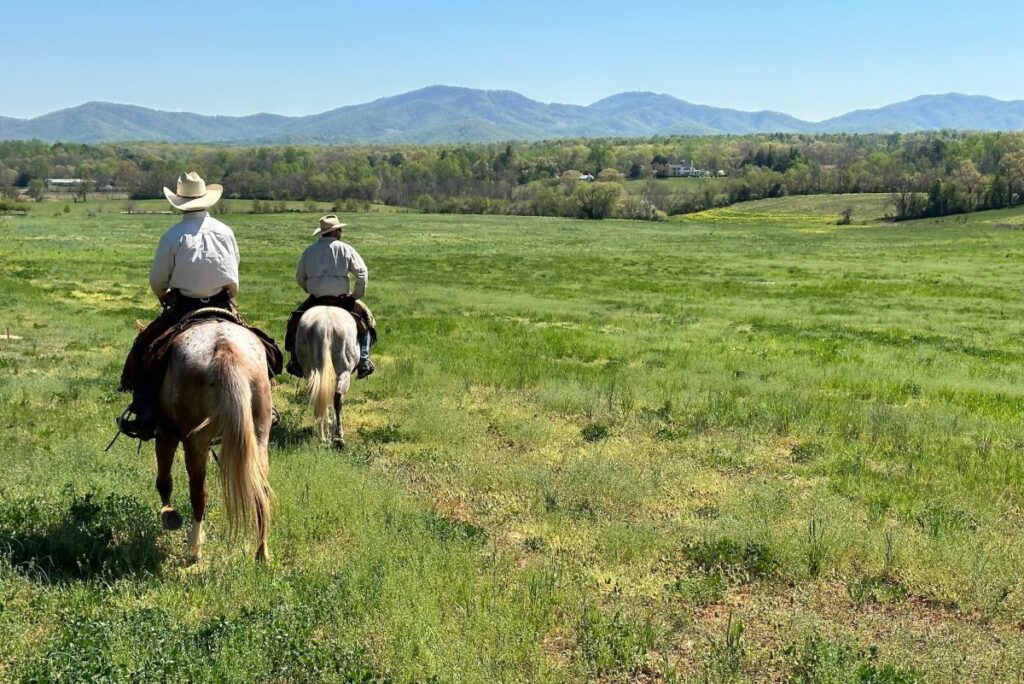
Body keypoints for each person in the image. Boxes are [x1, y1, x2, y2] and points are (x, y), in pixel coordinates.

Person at [117, 172, 281, 440]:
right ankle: (266, 407)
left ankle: (145, 412)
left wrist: (163, 294)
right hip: (223, 305)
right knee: (267, 350)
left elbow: (158, 280)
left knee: (145, 348)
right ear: (206, 199)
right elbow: (233, 267)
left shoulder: (172, 236)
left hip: (184, 307)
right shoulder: (226, 231)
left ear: (179, 202)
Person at [285, 214, 375, 379]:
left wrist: (309, 289)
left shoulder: (309, 251)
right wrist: (355, 295)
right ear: (336, 232)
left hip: (316, 299)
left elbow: (299, 276)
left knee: (293, 322)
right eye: (339, 229)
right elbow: (362, 273)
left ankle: (295, 361)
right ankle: (363, 360)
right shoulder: (346, 249)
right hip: (342, 299)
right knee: (367, 322)